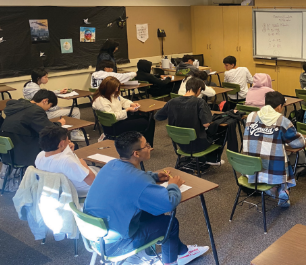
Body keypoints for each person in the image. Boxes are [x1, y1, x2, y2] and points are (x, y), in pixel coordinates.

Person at [84, 132, 209, 265]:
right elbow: (169, 203)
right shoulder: (138, 180)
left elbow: (130, 178)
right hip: (114, 247)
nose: (150, 147)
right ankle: (170, 262)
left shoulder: (111, 164)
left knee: (150, 212)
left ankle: (183, 252)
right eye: (146, 145)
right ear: (136, 154)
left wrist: (153, 176)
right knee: (170, 223)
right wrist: (173, 186)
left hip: (95, 236)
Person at [242, 91, 306, 207]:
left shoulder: (251, 116)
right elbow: (297, 143)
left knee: (272, 152)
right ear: (279, 107)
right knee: (283, 157)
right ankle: (282, 190)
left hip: (250, 169)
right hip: (273, 171)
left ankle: (272, 189)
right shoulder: (282, 121)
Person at [155, 78, 225, 166]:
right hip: (198, 144)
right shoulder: (200, 102)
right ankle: (213, 159)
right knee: (222, 129)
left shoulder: (172, 101)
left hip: (180, 143)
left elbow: (158, 117)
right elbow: (206, 123)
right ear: (199, 89)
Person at [0, 89, 65, 166]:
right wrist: (59, 123)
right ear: (45, 101)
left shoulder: (17, 107)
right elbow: (49, 130)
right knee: (58, 142)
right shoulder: (35, 110)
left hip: (7, 154)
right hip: (23, 154)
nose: (48, 109)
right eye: (50, 106)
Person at [23, 69, 85, 142]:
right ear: (38, 78)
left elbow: (45, 95)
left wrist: (59, 91)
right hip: (45, 113)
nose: (47, 79)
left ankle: (75, 132)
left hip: (37, 112)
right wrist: (58, 108)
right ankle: (75, 134)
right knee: (75, 110)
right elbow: (46, 105)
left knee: (69, 109)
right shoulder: (35, 89)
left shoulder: (30, 85)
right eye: (45, 77)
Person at [35, 126, 99, 197]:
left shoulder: (40, 156)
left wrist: (70, 152)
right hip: (84, 191)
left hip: (58, 189)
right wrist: (83, 164)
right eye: (68, 141)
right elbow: (92, 181)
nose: (69, 143)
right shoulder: (67, 161)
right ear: (61, 143)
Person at [92, 76, 155, 146]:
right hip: (113, 126)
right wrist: (127, 109)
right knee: (148, 122)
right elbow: (113, 117)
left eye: (117, 87)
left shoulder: (111, 94)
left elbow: (122, 101)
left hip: (118, 120)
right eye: (115, 88)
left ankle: (143, 144)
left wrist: (131, 104)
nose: (116, 90)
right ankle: (147, 145)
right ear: (109, 88)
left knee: (147, 117)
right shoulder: (101, 101)